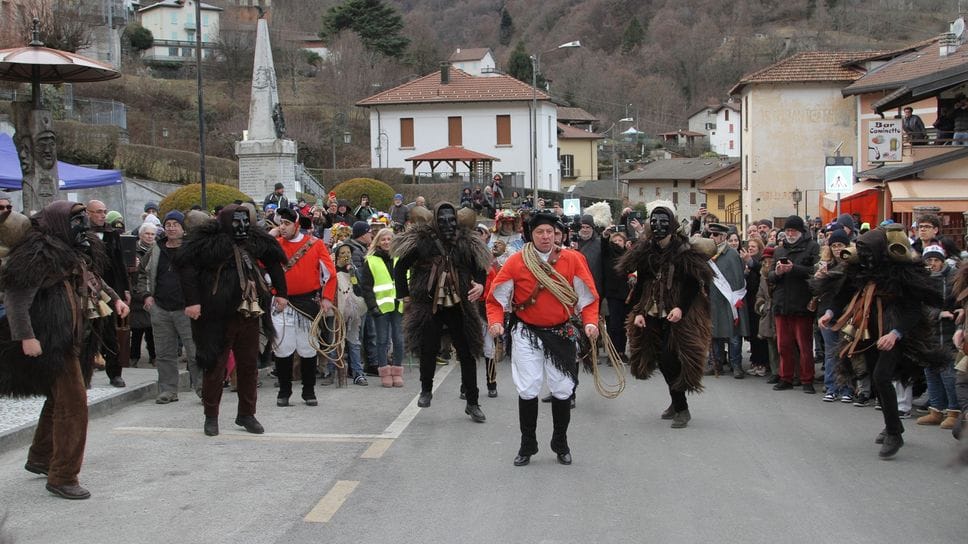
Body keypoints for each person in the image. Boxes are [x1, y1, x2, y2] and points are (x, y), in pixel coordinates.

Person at [0, 201, 129, 499]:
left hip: (77, 338)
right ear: (59, 223)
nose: (83, 225)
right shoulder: (37, 256)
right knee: (73, 407)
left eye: (83, 219)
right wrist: (26, 337)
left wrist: (115, 298)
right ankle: (63, 476)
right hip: (52, 341)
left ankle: (40, 458)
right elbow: (17, 300)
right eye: (77, 220)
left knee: (58, 400)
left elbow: (91, 278)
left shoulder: (75, 251)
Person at [816, 226, 947, 458]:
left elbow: (913, 310)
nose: (864, 257)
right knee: (877, 380)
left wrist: (895, 333)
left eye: (868, 252)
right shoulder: (860, 268)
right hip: (869, 332)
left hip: (893, 334)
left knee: (881, 377)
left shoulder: (900, 273)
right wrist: (829, 313)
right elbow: (843, 294)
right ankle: (891, 424)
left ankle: (895, 433)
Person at [487, 210, 600, 465]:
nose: (546, 236)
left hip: (561, 332)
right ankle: (528, 444)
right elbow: (496, 298)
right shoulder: (516, 261)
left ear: (556, 234)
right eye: (540, 232)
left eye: (550, 231)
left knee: (562, 388)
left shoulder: (573, 259)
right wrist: (495, 323)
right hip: (526, 332)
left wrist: (591, 322)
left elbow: (588, 297)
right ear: (531, 235)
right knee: (528, 389)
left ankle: (560, 442)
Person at [176, 204, 288, 437]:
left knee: (249, 366)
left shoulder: (256, 240)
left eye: (246, 222)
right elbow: (186, 269)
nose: (242, 227)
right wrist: (192, 302)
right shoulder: (207, 242)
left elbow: (274, 262)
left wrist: (282, 293)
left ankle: (247, 414)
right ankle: (211, 415)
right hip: (216, 315)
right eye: (237, 222)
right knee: (214, 366)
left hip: (249, 313)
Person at [393, 203, 490, 422]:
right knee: (428, 348)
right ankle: (426, 390)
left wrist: (480, 285)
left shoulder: (466, 242)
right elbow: (400, 268)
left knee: (467, 352)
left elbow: (481, 268)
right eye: (443, 220)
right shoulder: (422, 241)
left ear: (457, 220)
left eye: (451, 220)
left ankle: (472, 402)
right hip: (428, 304)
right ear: (435, 220)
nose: (448, 224)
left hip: (460, 305)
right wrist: (405, 295)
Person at [136, 210, 202, 403]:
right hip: (161, 308)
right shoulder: (156, 249)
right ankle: (168, 390)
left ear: (183, 228)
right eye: (168, 224)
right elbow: (141, 275)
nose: (171, 228)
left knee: (194, 352)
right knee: (164, 353)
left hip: (187, 309)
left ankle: (203, 388)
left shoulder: (193, 249)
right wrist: (146, 296)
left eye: (175, 224)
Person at [271, 208, 336, 406]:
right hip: (281, 303)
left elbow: (330, 274)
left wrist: (326, 298)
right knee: (282, 349)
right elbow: (259, 264)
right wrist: (269, 237)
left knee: (308, 349)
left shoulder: (315, 245)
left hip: (307, 303)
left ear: (296, 224)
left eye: (286, 223)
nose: (282, 227)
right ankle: (284, 391)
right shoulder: (274, 245)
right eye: (280, 223)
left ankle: (309, 391)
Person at [769, 215, 820, 393]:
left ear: (801, 232)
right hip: (782, 303)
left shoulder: (812, 247)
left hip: (802, 303)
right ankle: (786, 377)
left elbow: (816, 271)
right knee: (783, 344)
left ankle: (807, 379)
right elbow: (770, 276)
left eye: (793, 231)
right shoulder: (779, 250)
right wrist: (777, 272)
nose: (790, 234)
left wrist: (794, 269)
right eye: (788, 231)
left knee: (804, 345)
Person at [915, 244, 960, 429]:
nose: (933, 264)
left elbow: (959, 301)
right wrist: (938, 314)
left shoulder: (953, 278)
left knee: (948, 373)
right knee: (930, 372)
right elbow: (918, 306)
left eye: (936, 260)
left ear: (942, 261)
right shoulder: (921, 279)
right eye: (929, 260)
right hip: (929, 332)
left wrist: (958, 312)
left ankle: (954, 411)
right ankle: (936, 410)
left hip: (949, 333)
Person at [87, 199, 130, 388]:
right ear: (88, 213)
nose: (102, 215)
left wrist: (125, 289)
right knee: (87, 334)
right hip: (88, 287)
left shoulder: (112, 234)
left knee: (110, 334)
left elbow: (120, 263)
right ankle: (84, 372)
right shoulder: (82, 233)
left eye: (104, 211)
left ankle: (115, 373)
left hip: (109, 288)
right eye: (98, 211)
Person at [360, 228, 405, 388]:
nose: (386, 242)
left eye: (389, 239)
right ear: (378, 241)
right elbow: (366, 287)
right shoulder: (371, 260)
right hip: (380, 306)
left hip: (398, 304)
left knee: (399, 339)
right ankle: (385, 372)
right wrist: (373, 307)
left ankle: (397, 371)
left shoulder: (401, 258)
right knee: (382, 340)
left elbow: (408, 280)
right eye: (383, 239)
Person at [707, 223, 749, 378]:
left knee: (734, 335)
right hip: (714, 300)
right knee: (715, 333)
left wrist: (735, 300)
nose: (712, 237)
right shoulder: (709, 254)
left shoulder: (732, 255)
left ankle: (736, 365)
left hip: (730, 300)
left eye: (715, 235)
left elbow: (738, 280)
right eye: (711, 235)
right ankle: (716, 364)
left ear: (723, 236)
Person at [333, 241, 368, 385]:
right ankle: (333, 372)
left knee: (354, 341)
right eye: (342, 253)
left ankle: (357, 373)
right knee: (335, 340)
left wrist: (353, 274)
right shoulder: (332, 271)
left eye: (348, 253)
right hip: (336, 310)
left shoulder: (353, 270)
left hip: (354, 310)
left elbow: (359, 289)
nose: (346, 256)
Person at [129, 222, 157, 367]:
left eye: (152, 234)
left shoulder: (157, 250)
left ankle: (154, 356)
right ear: (140, 235)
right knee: (137, 330)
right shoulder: (132, 249)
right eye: (147, 233)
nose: (150, 236)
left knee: (151, 329)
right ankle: (134, 356)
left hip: (152, 293)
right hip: (136, 292)